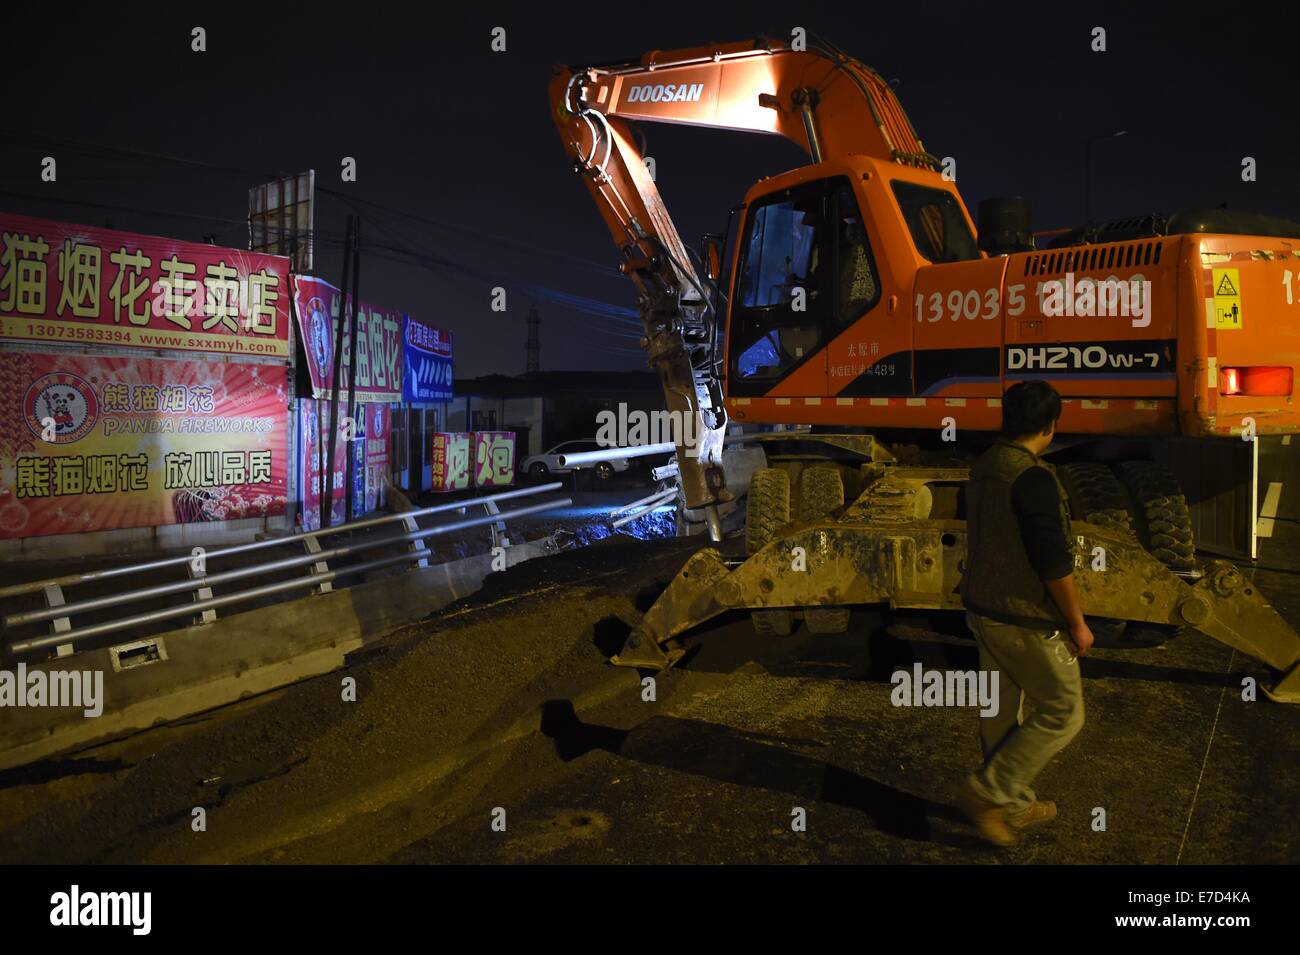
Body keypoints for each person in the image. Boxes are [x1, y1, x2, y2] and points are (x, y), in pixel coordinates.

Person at [957, 380, 1093, 847]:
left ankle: (1011, 806)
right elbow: (1052, 561)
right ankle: (989, 791)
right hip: (1021, 617)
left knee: (999, 711)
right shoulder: (1033, 478)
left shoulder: (986, 465)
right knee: (1064, 709)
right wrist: (1076, 622)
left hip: (982, 608)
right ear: (1052, 426)